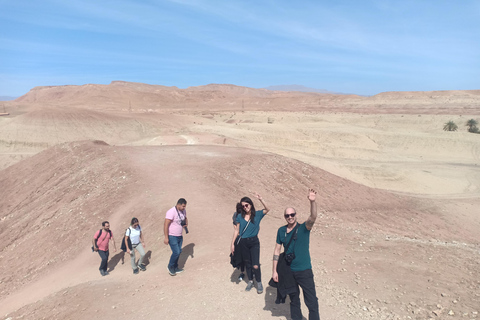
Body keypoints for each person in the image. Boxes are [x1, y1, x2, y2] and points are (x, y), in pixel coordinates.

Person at [272, 188, 320, 320]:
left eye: (292, 214)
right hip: (288, 271)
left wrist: (312, 202)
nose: (290, 217)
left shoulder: (304, 228)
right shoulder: (281, 231)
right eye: (287, 215)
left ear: (296, 215)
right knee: (294, 300)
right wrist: (275, 271)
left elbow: (313, 217)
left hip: (304, 270)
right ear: (284, 217)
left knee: (312, 302)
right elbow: (277, 250)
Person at [230, 193, 269, 293]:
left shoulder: (257, 215)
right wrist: (232, 244)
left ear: (250, 204)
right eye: (243, 206)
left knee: (255, 264)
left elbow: (268, 209)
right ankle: (251, 281)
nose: (245, 207)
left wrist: (261, 199)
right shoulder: (239, 216)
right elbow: (236, 231)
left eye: (246, 205)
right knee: (247, 263)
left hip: (254, 242)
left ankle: (259, 282)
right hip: (243, 242)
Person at [164, 198, 189, 276]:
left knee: (179, 252)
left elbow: (185, 218)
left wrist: (186, 224)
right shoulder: (171, 212)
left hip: (179, 236)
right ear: (178, 204)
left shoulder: (183, 211)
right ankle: (170, 266)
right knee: (176, 252)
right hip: (172, 236)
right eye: (183, 206)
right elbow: (166, 224)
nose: (184, 208)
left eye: (185, 206)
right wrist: (166, 237)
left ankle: (175, 267)